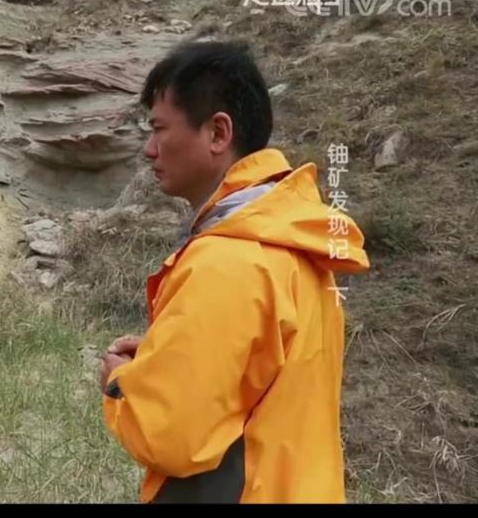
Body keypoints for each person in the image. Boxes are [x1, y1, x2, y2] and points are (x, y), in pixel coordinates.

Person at [100, 41, 370, 503]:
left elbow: (171, 438)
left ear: (218, 132)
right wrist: (169, 357)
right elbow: (265, 379)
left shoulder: (227, 262)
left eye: (159, 129)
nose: (149, 150)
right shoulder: (295, 244)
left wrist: (121, 384)